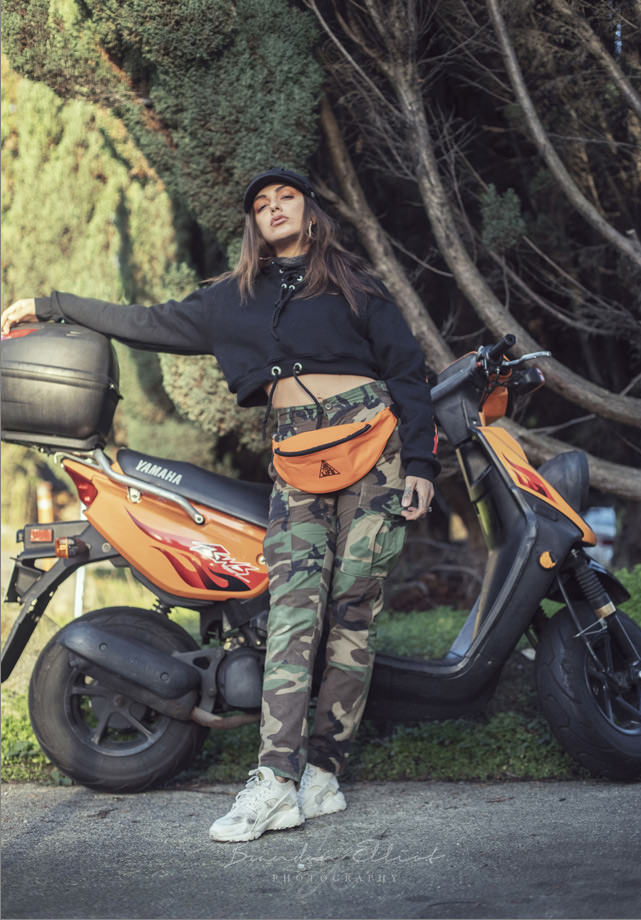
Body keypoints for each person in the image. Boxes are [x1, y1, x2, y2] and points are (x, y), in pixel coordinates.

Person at [1, 167, 438, 842]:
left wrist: (422, 465)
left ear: (310, 211)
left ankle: (324, 771)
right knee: (294, 612)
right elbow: (142, 322)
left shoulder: (356, 285)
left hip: (373, 448)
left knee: (354, 611)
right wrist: (52, 304)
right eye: (261, 204)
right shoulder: (229, 299)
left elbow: (407, 373)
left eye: (286, 197)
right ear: (253, 223)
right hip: (296, 460)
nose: (274, 208)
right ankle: (275, 780)